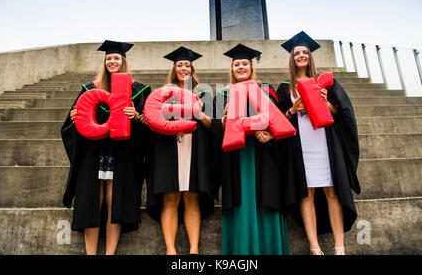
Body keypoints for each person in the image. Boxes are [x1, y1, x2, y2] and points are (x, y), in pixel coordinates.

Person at [61, 40, 151, 255]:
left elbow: (149, 124)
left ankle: (110, 253)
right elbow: (71, 123)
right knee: (93, 200)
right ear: (104, 62)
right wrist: (75, 118)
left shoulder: (138, 90)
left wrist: (137, 117)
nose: (112, 61)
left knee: (114, 201)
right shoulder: (90, 89)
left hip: (122, 154)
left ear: (124, 61)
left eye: (116, 58)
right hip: (93, 152)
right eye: (109, 58)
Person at [276, 31, 360, 255]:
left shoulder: (326, 83)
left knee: (332, 192)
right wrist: (293, 109)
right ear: (292, 59)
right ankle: (314, 247)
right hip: (301, 146)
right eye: (297, 53)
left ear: (310, 57)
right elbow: (278, 119)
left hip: (325, 143)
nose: (301, 55)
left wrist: (326, 102)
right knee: (307, 193)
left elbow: (341, 113)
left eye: (305, 52)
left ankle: (339, 246)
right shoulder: (285, 88)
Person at [212, 44, 289, 255]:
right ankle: (242, 252)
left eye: (244, 63)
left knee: (266, 197)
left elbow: (280, 120)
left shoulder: (266, 89)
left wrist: (272, 135)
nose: (241, 67)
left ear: (251, 66)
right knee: (241, 200)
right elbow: (215, 127)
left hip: (262, 152)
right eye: (236, 64)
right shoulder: (222, 93)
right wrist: (224, 119)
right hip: (236, 157)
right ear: (232, 69)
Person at [145, 46, 215, 255]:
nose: (184, 68)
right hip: (168, 147)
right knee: (171, 197)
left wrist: (200, 114)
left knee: (192, 197)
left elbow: (213, 125)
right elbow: (153, 120)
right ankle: (170, 250)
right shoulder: (162, 93)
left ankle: (194, 250)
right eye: (179, 65)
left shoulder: (204, 93)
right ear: (174, 69)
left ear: (192, 69)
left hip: (195, 147)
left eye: (187, 65)